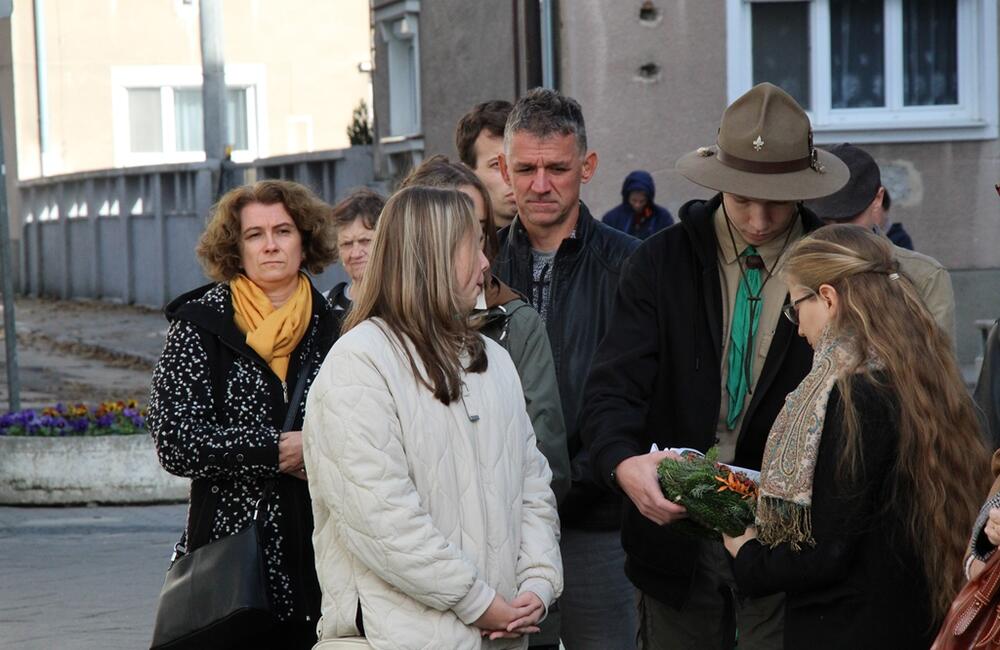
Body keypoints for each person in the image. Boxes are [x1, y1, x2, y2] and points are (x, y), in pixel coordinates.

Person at [582, 82, 849, 649]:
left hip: (790, 550)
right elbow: (611, 390)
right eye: (740, 197)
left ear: (804, 188)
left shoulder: (839, 271)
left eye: (775, 200)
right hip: (674, 548)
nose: (756, 218)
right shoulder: (659, 262)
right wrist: (622, 465)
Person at [303, 186, 562, 649]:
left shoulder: (494, 360)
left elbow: (533, 487)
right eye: (472, 248)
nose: (486, 264)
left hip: (504, 634)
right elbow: (383, 520)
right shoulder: (359, 364)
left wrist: (537, 586)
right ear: (431, 258)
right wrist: (479, 602)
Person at [721, 224, 990, 648]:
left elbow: (826, 552)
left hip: (849, 627)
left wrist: (746, 552)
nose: (797, 326)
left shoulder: (852, 395)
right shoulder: (913, 375)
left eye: (796, 307)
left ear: (827, 298)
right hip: (912, 617)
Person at [148, 180, 340, 648]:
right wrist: (274, 451)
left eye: (283, 231)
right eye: (255, 235)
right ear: (236, 248)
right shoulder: (200, 326)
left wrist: (315, 451)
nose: (270, 245)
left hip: (324, 562)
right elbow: (175, 440)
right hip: (230, 566)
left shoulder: (338, 326)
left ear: (305, 239)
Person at [493, 87, 640, 649]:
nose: (540, 183)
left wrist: (578, 481)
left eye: (557, 167)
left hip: (600, 524)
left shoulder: (631, 266)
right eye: (526, 168)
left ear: (588, 166)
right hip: (498, 524)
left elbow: (639, 394)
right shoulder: (476, 265)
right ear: (504, 169)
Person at [400, 154, 571, 505]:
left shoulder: (514, 325)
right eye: (457, 235)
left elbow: (547, 468)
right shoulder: (374, 337)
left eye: (479, 232)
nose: (480, 255)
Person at [803, 143, 954, 341]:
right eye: (825, 221)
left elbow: (938, 367)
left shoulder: (925, 276)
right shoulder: (792, 271)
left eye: (848, 219)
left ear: (878, 199)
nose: (836, 232)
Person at [457, 100, 518, 227]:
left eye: (521, 165)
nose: (512, 177)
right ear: (468, 174)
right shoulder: (454, 243)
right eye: (496, 165)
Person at [327, 188, 385, 314]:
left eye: (365, 241)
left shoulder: (406, 306)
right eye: (347, 244)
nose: (355, 254)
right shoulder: (323, 308)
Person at [601, 170, 674, 240]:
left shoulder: (662, 218)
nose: (637, 205)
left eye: (642, 201)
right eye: (634, 200)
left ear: (648, 199)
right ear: (627, 197)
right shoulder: (611, 219)